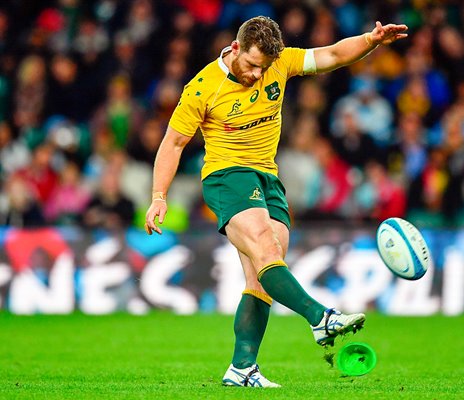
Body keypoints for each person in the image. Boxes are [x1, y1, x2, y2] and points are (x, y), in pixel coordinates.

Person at [144, 16, 408, 388]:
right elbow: (172, 144)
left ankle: (241, 369)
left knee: (262, 278)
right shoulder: (202, 88)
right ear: (235, 49)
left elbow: (332, 54)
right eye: (252, 64)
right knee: (267, 248)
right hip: (227, 176)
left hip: (268, 178)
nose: (256, 74)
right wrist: (158, 197)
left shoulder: (279, 62)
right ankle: (322, 319)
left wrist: (371, 40)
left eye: (263, 67)